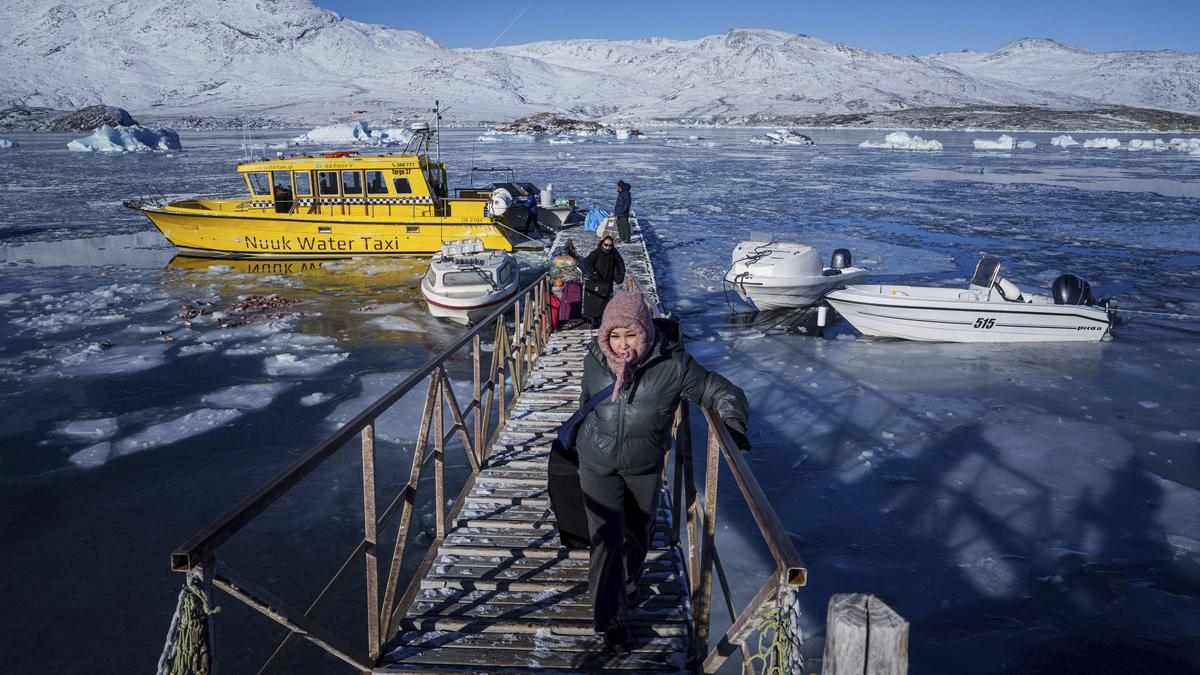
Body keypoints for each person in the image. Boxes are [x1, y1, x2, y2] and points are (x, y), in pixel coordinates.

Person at [576, 291, 750, 654]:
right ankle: (611, 622)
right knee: (607, 540)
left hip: (644, 467)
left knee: (638, 536)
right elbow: (585, 404)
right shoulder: (594, 359)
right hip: (596, 464)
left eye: (631, 335)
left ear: (646, 331)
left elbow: (720, 390)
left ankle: (626, 585)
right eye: (614, 336)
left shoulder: (673, 365)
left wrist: (732, 424)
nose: (622, 346)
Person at [582, 236, 625, 325]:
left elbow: (620, 262)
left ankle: (605, 319)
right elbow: (587, 262)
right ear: (602, 244)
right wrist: (594, 273)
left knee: (607, 300)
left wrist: (622, 273)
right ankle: (596, 319)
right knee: (597, 300)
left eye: (610, 245)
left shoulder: (614, 252)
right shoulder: (597, 252)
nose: (608, 247)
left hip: (608, 281)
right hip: (597, 280)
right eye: (606, 245)